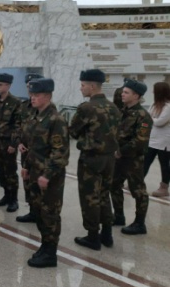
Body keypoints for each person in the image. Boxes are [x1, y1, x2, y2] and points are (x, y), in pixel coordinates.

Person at [19, 78, 69, 268]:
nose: (32, 98)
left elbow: (60, 153)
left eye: (37, 95)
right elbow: (32, 147)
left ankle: (50, 253)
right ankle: (45, 246)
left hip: (49, 177)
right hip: (34, 173)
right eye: (32, 94)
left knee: (50, 214)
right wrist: (26, 166)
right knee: (39, 212)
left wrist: (47, 175)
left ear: (48, 96)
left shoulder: (56, 120)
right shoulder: (36, 117)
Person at [70, 69, 121, 250]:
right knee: (104, 194)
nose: (81, 88)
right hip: (109, 159)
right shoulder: (114, 107)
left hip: (91, 159)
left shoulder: (87, 108)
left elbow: (73, 131)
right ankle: (107, 234)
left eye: (83, 85)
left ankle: (92, 236)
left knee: (89, 197)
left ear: (92, 86)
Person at [110, 79, 152, 236]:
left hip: (133, 159)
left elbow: (140, 140)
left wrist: (121, 151)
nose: (122, 94)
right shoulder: (122, 111)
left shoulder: (143, 116)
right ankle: (119, 216)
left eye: (126, 92)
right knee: (114, 185)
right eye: (123, 91)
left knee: (138, 191)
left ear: (136, 96)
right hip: (118, 158)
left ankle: (140, 223)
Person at [0, 73, 21, 212]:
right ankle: (6, 195)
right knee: (0, 170)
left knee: (10, 171)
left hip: (8, 143)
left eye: (0, 85)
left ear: (8, 86)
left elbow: (18, 125)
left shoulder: (15, 102)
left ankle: (14, 199)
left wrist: (14, 144)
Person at [16, 73, 43, 223]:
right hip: (26, 152)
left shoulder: (44, 107)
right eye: (28, 87)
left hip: (40, 153)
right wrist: (19, 142)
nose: (30, 90)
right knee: (28, 181)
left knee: (40, 182)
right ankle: (32, 210)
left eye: (33, 87)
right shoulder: (24, 106)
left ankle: (41, 212)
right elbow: (18, 126)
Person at [144, 82, 170, 197]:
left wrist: (151, 119)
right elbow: (147, 118)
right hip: (152, 140)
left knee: (164, 164)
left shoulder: (168, 107)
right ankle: (137, 182)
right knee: (145, 161)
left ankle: (164, 187)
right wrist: (152, 119)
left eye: (154, 90)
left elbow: (160, 122)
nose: (152, 92)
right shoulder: (154, 105)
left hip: (164, 142)